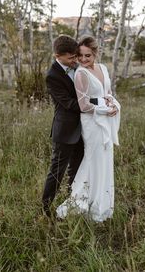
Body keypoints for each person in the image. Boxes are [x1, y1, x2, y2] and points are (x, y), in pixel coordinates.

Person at [56, 36, 120, 222]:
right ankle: (84, 201)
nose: (83, 60)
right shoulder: (81, 74)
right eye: (80, 56)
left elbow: (106, 93)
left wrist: (114, 104)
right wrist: (104, 108)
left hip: (105, 117)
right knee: (94, 158)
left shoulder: (103, 69)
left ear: (95, 54)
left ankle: (102, 202)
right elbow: (83, 105)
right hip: (92, 122)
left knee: (105, 158)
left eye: (88, 56)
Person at [42, 35, 99, 217]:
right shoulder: (53, 76)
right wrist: (97, 106)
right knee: (57, 171)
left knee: (77, 169)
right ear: (57, 55)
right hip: (65, 130)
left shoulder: (78, 68)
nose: (75, 60)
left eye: (76, 56)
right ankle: (45, 207)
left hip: (84, 129)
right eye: (71, 58)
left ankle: (72, 202)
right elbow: (68, 103)